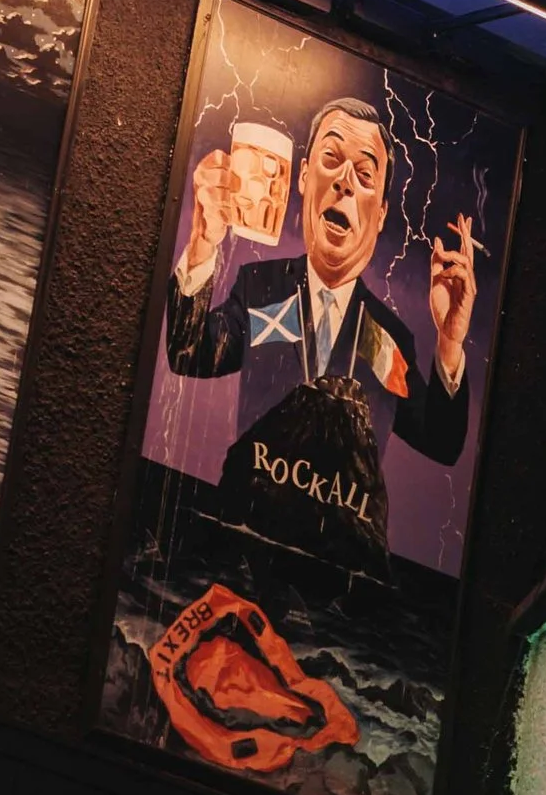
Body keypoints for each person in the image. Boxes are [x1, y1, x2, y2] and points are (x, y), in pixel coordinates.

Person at [167, 94, 474, 565]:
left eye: (365, 175)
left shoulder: (388, 336)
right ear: (304, 175)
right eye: (331, 160)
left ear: (382, 213)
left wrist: (450, 341)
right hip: (244, 548)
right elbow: (189, 353)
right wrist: (203, 242)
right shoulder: (260, 289)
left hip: (339, 574)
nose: (345, 184)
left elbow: (442, 443)